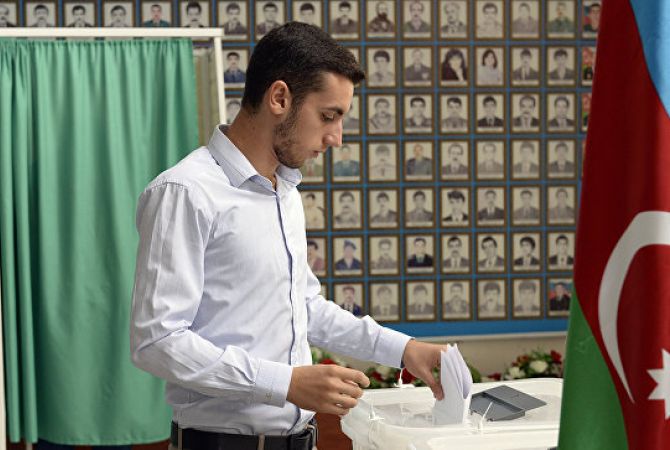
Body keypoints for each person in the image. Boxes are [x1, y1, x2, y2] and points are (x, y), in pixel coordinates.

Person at [131, 24, 448, 448]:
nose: (336, 138)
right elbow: (157, 340)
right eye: (329, 116)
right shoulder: (185, 192)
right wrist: (284, 383)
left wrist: (404, 349)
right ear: (279, 98)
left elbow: (303, 306)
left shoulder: (285, 192)